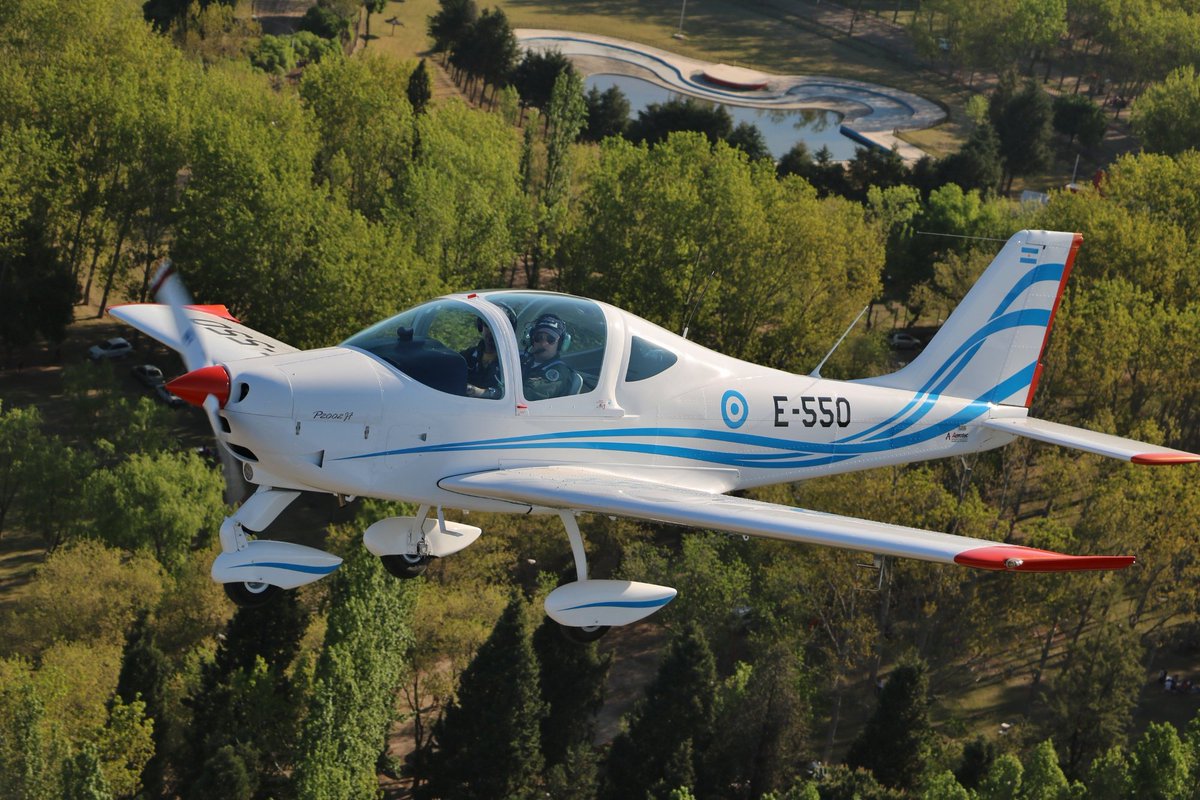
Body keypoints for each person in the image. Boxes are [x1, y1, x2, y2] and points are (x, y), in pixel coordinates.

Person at [521, 314, 578, 400]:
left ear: (560, 344)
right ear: (532, 339)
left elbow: (527, 396)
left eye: (551, 339)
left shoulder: (558, 372)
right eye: (539, 337)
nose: (543, 343)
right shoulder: (522, 360)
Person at [462, 318, 504, 398]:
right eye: (487, 325)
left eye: (497, 328)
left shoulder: (513, 362)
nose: (491, 331)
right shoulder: (467, 355)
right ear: (481, 327)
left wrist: (484, 393)